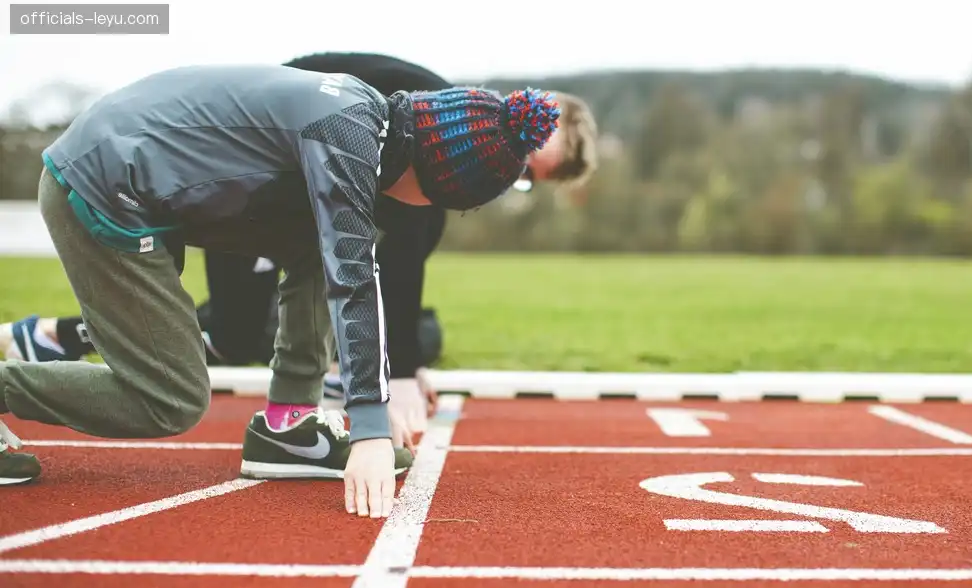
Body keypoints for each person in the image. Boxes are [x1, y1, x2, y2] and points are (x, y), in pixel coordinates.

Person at [0, 62, 561, 521]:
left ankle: (288, 428)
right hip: (100, 187)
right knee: (168, 397)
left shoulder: (364, 116)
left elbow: (338, 254)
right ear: (435, 179)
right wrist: (368, 429)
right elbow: (354, 278)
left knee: (324, 242)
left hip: (140, 174)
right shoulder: (346, 138)